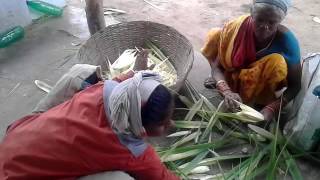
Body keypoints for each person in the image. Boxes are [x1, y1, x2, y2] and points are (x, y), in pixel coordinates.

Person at [0, 50, 179, 180]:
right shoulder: (132, 152)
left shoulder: (101, 90)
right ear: (140, 127)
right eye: (163, 123)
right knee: (120, 178)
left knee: (82, 71)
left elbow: (121, 82)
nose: (170, 124)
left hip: (14, 140)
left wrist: (136, 74)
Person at [201, 0, 301, 123]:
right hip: (232, 71)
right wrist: (226, 90)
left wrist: (272, 108)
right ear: (251, 15)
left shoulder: (287, 42)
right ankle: (225, 81)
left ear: (280, 21)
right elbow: (217, 67)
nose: (265, 26)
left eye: (272, 22)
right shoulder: (237, 28)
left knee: (277, 62)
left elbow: (296, 85)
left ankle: (259, 101)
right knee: (215, 34)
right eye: (259, 20)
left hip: (260, 83)